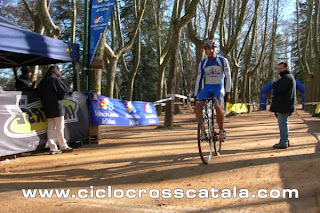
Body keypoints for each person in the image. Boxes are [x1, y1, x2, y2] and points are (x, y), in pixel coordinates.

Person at [194, 39, 232, 141]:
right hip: (207, 88)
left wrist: (228, 92)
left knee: (217, 105)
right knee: (197, 106)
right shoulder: (203, 63)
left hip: (219, 87)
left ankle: (221, 129)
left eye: (213, 49)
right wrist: (195, 94)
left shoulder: (222, 60)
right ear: (205, 51)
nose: (211, 51)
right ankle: (203, 131)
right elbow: (199, 79)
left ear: (215, 49)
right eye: (208, 49)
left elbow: (228, 76)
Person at [38, 65, 74, 154]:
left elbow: (37, 91)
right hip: (57, 107)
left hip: (47, 107)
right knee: (60, 128)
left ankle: (52, 148)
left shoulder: (43, 81)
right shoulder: (55, 80)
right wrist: (69, 92)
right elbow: (63, 92)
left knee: (50, 128)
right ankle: (63, 146)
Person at [270, 62, 296, 149]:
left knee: (283, 124)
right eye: (278, 69)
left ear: (286, 68)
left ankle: (283, 142)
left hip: (284, 105)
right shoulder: (288, 77)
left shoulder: (287, 78)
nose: (279, 70)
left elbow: (280, 88)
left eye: (281, 68)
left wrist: (274, 84)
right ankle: (285, 140)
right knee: (284, 123)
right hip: (285, 105)